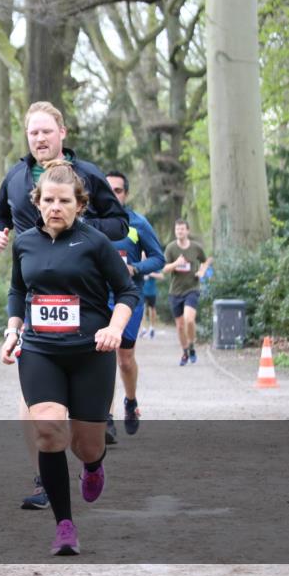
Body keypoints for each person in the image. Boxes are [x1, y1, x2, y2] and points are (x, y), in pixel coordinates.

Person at [0, 101, 129, 510]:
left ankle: (90, 450)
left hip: (83, 297)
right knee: (39, 408)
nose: (40, 139)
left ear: (62, 133)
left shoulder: (86, 176)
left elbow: (120, 223)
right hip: (36, 301)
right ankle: (43, 476)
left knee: (86, 436)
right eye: (33, 133)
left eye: (47, 132)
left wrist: (70, 225)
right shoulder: (15, 177)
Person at [1, 159, 139, 556]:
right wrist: (13, 330)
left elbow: (127, 292)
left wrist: (115, 327)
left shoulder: (95, 242)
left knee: (86, 445)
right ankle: (64, 525)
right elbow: (16, 291)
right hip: (41, 351)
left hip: (91, 353)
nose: (55, 207)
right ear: (38, 202)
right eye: (48, 200)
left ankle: (93, 467)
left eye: (64, 200)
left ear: (80, 204)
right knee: (49, 432)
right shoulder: (25, 242)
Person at [103, 171, 165, 440]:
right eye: (108, 189)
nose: (113, 194)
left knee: (124, 360)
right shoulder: (88, 221)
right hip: (96, 298)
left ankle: (130, 402)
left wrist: (135, 267)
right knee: (101, 357)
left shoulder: (137, 223)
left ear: (125, 194)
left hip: (128, 298)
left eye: (118, 190)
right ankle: (105, 418)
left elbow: (158, 259)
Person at [162, 219, 213, 366]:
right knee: (179, 326)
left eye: (182, 229)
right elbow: (164, 269)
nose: (180, 231)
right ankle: (185, 351)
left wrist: (202, 271)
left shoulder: (196, 247)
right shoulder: (171, 248)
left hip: (192, 288)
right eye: (177, 229)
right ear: (175, 231)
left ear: (187, 231)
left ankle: (191, 345)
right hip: (175, 291)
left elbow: (206, 260)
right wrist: (176, 264)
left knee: (189, 319)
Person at [140, 271, 163, 339]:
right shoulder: (139, 262)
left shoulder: (153, 263)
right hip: (141, 290)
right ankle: (143, 329)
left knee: (152, 309)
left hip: (151, 292)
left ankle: (152, 328)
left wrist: (150, 274)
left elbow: (161, 276)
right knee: (141, 309)